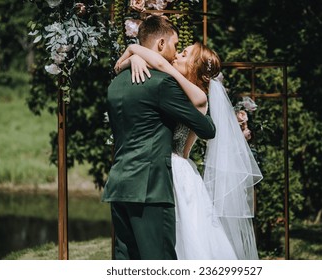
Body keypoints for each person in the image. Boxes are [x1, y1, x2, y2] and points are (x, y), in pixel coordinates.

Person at [115, 40, 263, 259]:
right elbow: (123, 68)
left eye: (184, 55)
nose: (176, 56)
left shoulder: (197, 98)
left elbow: (163, 66)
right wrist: (134, 58)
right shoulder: (174, 89)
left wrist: (134, 49)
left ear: (194, 67)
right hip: (170, 167)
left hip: (174, 170)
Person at [102, 16, 217, 260]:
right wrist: (136, 54)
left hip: (119, 185)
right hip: (151, 188)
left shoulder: (116, 83)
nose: (176, 54)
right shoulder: (162, 84)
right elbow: (207, 129)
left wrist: (133, 52)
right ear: (161, 44)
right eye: (176, 45)